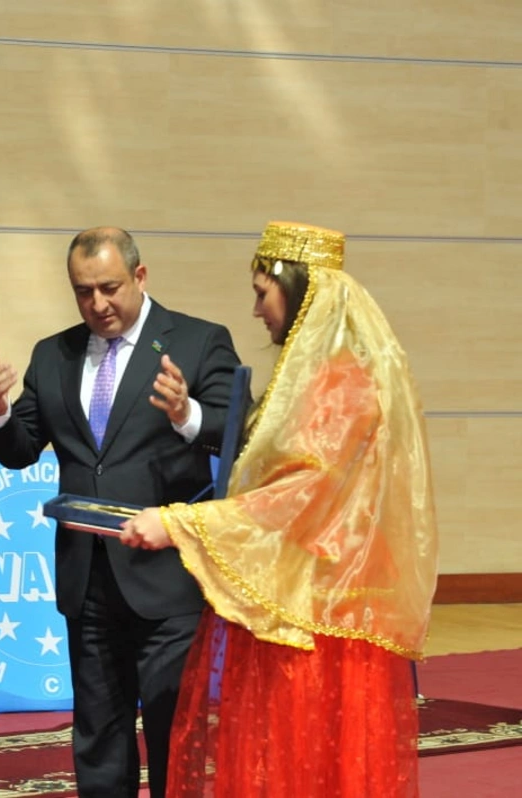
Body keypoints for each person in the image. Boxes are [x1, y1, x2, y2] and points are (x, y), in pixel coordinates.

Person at [119, 221, 439, 797]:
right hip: (299, 605)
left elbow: (296, 497)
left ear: (297, 291)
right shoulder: (319, 378)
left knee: (304, 763)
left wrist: (179, 523)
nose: (256, 310)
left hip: (315, 620)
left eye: (262, 293)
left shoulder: (338, 387)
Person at [0, 227, 241, 798]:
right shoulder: (53, 354)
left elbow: (236, 431)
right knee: (99, 736)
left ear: (139, 277)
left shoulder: (198, 341)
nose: (97, 303)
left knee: (175, 732)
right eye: (83, 291)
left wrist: (188, 415)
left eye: (109, 288)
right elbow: (21, 448)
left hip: (168, 580)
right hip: (88, 578)